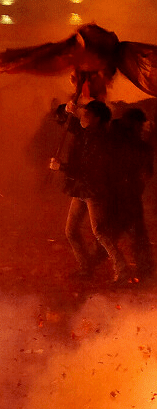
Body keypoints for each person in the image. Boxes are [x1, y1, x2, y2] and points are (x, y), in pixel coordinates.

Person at [50, 100, 127, 282]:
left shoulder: (101, 140)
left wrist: (62, 167)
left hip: (94, 190)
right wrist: (65, 109)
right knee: (71, 230)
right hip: (81, 189)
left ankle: (122, 269)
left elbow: (88, 169)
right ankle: (86, 268)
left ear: (97, 119)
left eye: (87, 114)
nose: (83, 116)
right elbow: (61, 119)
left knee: (100, 231)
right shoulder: (84, 131)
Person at [109, 108, 154, 279]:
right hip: (124, 191)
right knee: (123, 232)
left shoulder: (127, 137)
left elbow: (145, 169)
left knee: (113, 232)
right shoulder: (128, 139)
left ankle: (142, 270)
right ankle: (144, 270)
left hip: (126, 191)